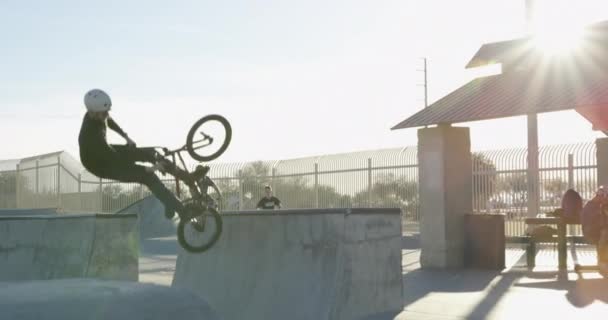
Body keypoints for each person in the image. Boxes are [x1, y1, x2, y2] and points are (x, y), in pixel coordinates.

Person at [78, 88, 198, 219]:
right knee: (147, 176)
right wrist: (148, 168)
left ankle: (187, 178)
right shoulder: (91, 135)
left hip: (106, 152)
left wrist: (126, 137)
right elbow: (114, 159)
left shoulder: (97, 113)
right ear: (93, 113)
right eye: (103, 114)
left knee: (151, 153)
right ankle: (182, 211)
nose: (106, 115)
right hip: (100, 165)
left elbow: (109, 122)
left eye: (107, 112)